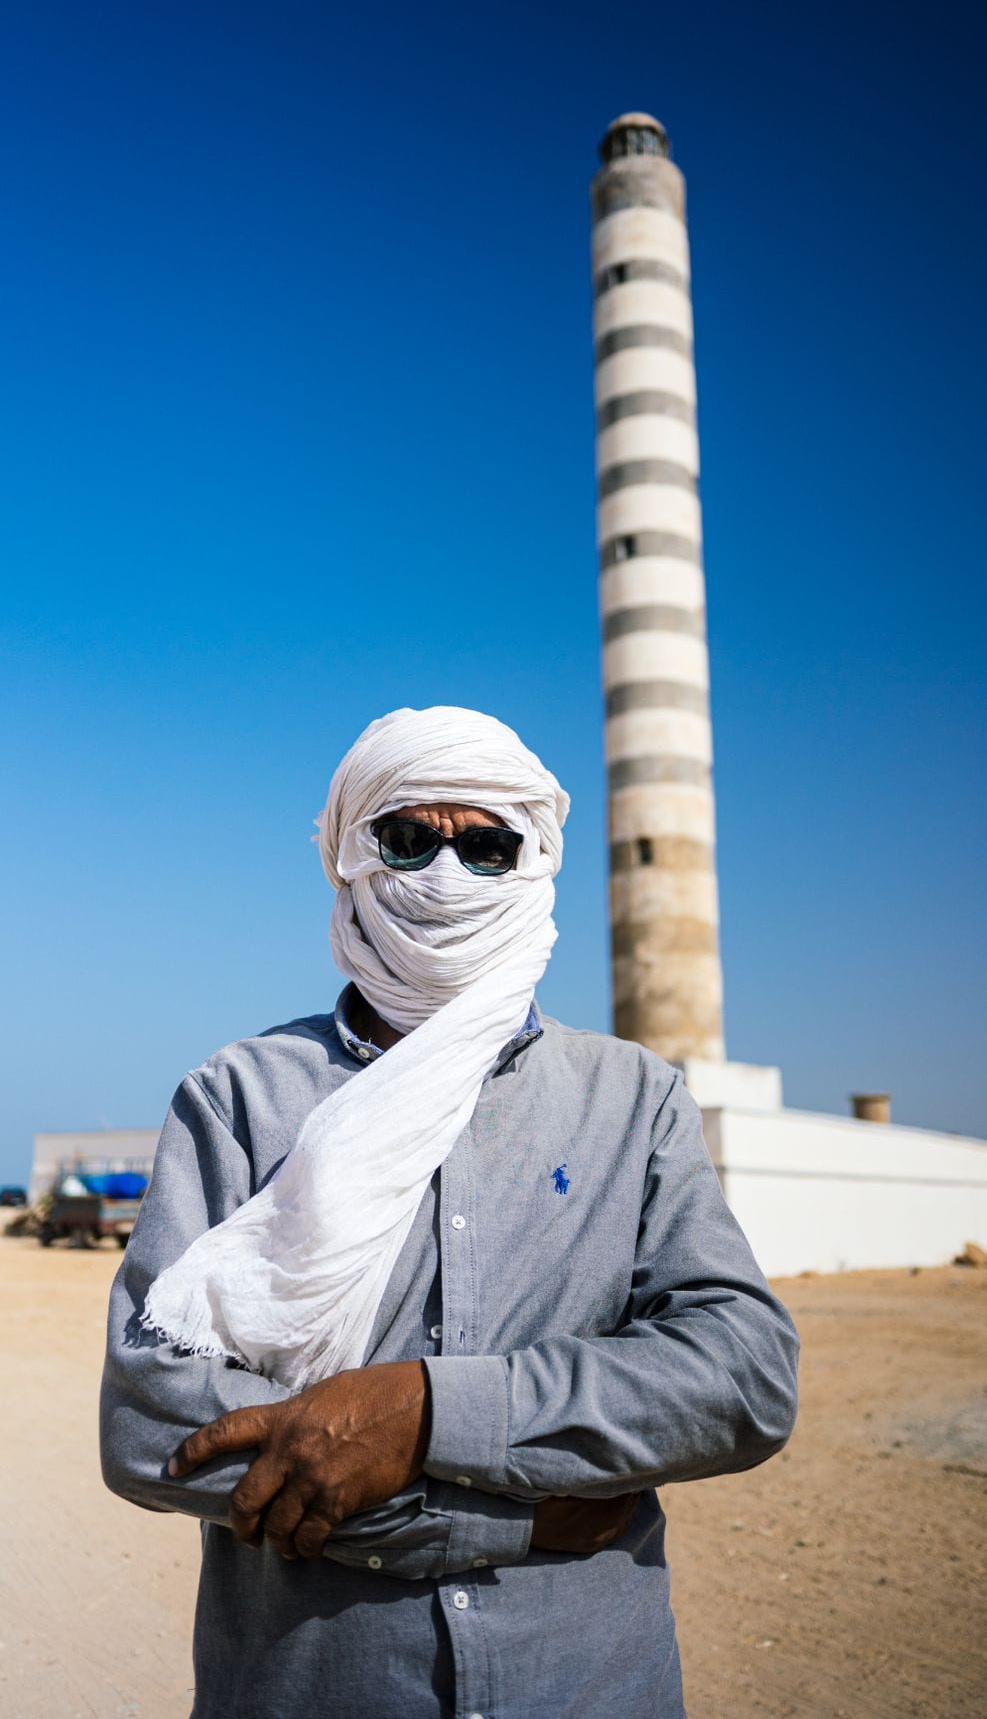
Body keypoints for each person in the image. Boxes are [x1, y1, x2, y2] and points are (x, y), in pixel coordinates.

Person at [100, 705, 799, 1719]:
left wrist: (425, 1412)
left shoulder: (632, 1099)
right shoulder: (241, 1099)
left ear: (533, 860)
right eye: (408, 838)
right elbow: (150, 1420)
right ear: (350, 857)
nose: (442, 872)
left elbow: (742, 1377)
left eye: (485, 845)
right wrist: (500, 1520)